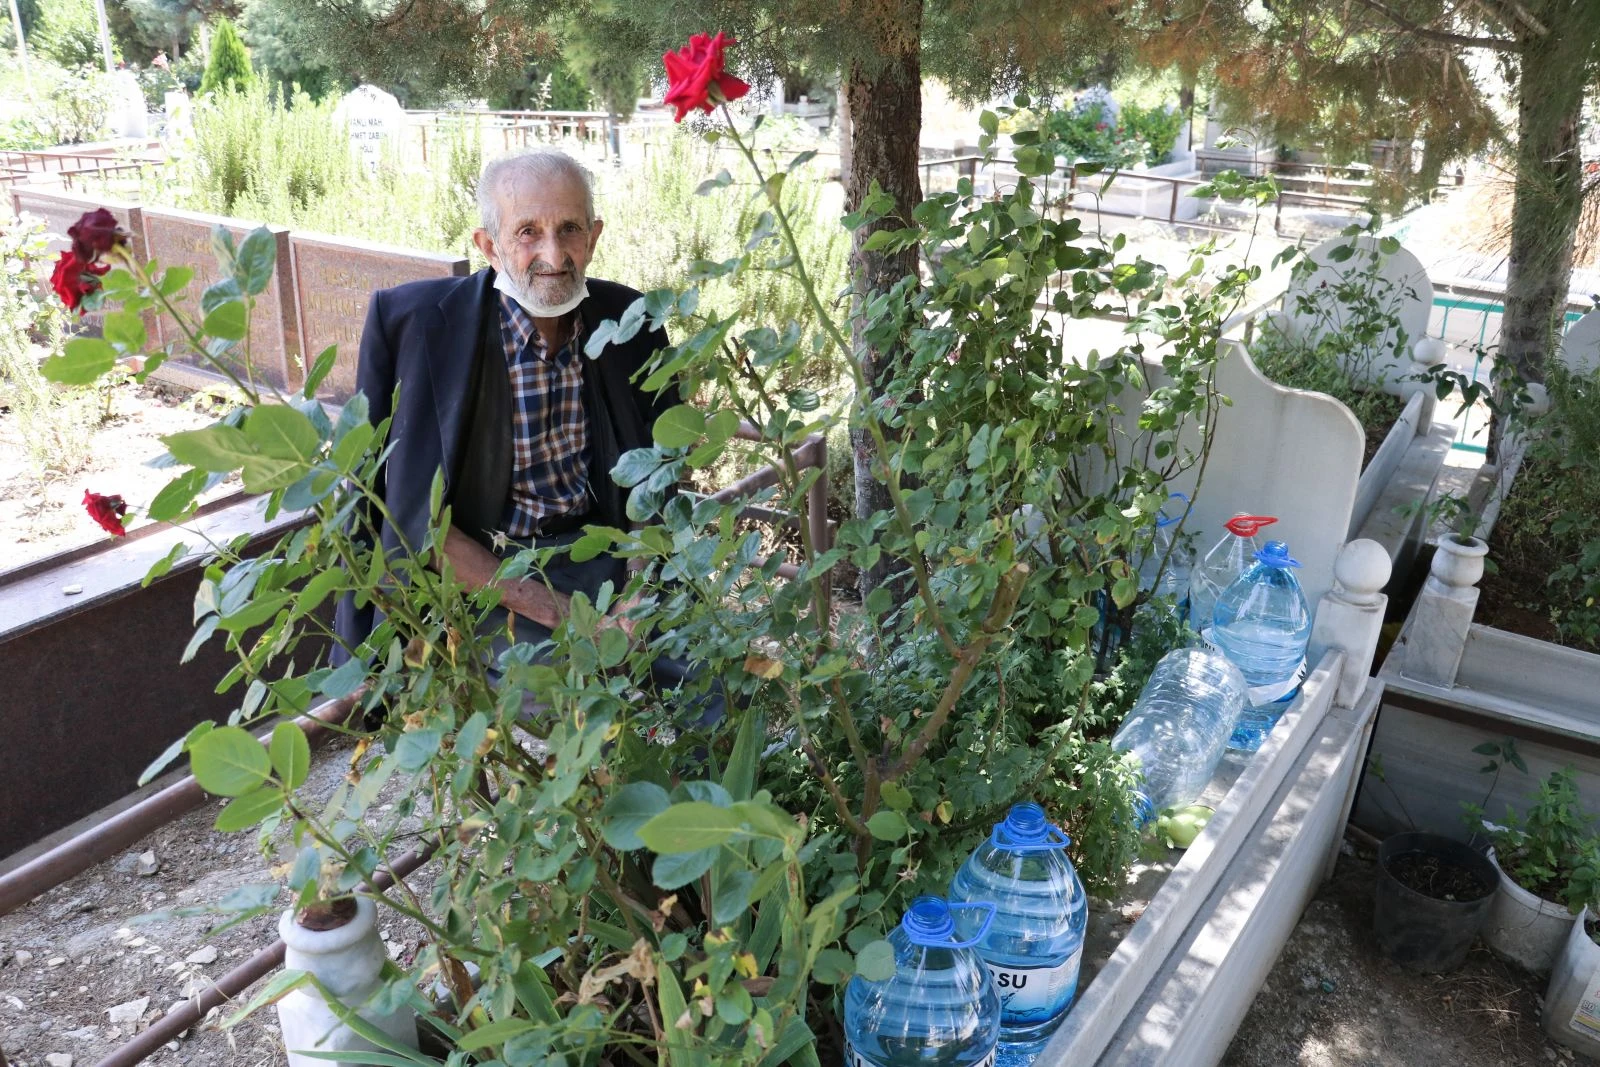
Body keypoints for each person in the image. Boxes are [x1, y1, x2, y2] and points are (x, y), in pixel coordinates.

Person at [334, 148, 675, 670]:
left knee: (708, 679)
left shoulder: (631, 321)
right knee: (567, 700)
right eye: (527, 233)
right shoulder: (421, 328)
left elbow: (660, 474)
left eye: (569, 229)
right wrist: (569, 615)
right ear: (489, 246)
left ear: (595, 236)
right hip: (487, 575)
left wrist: (637, 595)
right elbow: (415, 522)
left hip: (608, 557)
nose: (555, 255)